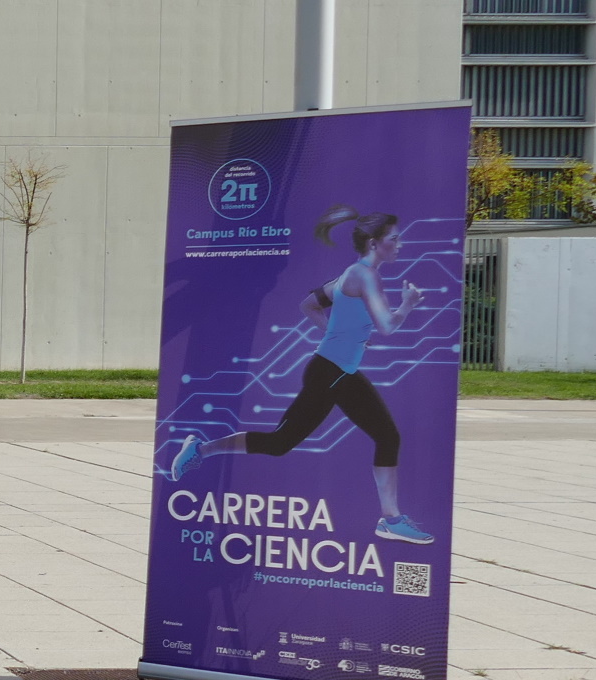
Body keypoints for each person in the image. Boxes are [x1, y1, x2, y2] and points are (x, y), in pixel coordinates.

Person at [170, 205, 432, 544]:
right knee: (282, 442)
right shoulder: (365, 275)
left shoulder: (350, 274)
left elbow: (309, 303)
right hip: (331, 373)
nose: (399, 245)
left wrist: (334, 335)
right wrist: (408, 304)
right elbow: (387, 326)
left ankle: (390, 519)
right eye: (394, 239)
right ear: (373, 243)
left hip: (337, 370)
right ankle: (200, 449)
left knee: (384, 436)